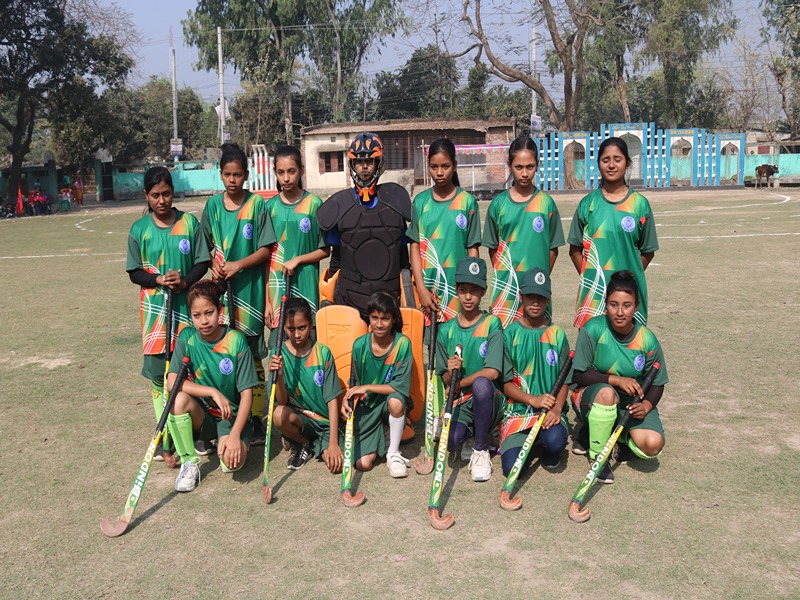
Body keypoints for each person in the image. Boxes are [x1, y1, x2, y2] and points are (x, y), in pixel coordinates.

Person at [126, 166, 209, 460]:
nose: (161, 200)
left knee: (190, 370)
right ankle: (164, 436)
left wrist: (184, 282)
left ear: (174, 192)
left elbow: (202, 263)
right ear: (146, 196)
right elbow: (134, 272)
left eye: (166, 194)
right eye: (155, 195)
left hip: (187, 312)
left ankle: (196, 433)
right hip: (154, 316)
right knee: (159, 376)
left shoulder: (189, 223)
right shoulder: (139, 230)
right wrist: (158, 279)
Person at [201, 143, 277, 446]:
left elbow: (265, 250)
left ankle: (256, 418)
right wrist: (215, 265)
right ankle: (226, 415)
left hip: (250, 294)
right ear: (220, 174)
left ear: (247, 175)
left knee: (252, 356)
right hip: (221, 296)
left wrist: (238, 265)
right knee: (225, 354)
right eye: (227, 175)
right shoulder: (212, 206)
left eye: (238, 175)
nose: (232, 180)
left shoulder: (257, 205)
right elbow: (203, 248)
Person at [570, 270, 669, 484]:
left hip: (630, 405)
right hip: (593, 397)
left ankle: (619, 436)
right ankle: (599, 457)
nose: (620, 312)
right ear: (606, 304)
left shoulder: (647, 339)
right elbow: (579, 375)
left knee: (652, 445)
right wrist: (616, 380)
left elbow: (657, 383)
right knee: (607, 393)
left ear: (636, 306)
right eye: (614, 304)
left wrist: (647, 406)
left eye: (627, 305)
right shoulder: (593, 329)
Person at [167, 281, 259, 492]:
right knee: (177, 400)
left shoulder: (236, 341)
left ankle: (227, 438)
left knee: (232, 464)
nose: (203, 321)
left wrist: (234, 436)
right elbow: (172, 382)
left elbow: (247, 396)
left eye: (209, 313)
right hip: (203, 415)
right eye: (196, 315)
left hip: (231, 417)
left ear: (220, 310)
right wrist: (212, 392)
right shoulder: (187, 337)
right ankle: (189, 462)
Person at [316, 132, 413, 322]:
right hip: (349, 301)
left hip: (388, 303)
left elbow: (403, 258)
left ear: (379, 163)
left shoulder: (396, 202)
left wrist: (409, 294)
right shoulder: (339, 206)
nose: (364, 167)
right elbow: (336, 259)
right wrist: (329, 298)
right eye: (358, 162)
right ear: (352, 165)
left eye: (369, 161)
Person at [568, 136, 659, 328]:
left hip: (628, 296)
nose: (611, 165)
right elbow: (575, 249)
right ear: (598, 164)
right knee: (593, 343)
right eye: (605, 160)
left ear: (627, 163)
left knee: (629, 344)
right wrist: (590, 277)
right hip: (594, 297)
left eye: (617, 159)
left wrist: (628, 279)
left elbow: (648, 250)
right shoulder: (588, 204)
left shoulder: (639, 204)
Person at [482, 136, 565, 328]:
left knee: (537, 339)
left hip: (537, 290)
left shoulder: (546, 204)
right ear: (510, 166)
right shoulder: (498, 205)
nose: (525, 173)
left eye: (530, 167)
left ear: (537, 166)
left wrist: (538, 279)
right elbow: (493, 248)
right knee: (504, 339)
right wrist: (507, 275)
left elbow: (553, 249)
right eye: (519, 167)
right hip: (506, 290)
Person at [436, 257, 506, 482]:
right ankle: (471, 433)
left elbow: (492, 372)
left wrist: (458, 383)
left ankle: (481, 449)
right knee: (451, 441)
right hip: (461, 401)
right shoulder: (445, 330)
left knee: (481, 384)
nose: (468, 296)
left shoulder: (492, 323)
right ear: (456, 289)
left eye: (474, 290)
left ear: (483, 291)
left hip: (488, 397)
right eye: (463, 290)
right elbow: (446, 380)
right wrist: (450, 372)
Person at [499, 267, 570, 477]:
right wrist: (533, 400)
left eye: (541, 298)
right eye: (530, 297)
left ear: (548, 300)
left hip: (549, 412)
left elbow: (565, 379)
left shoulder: (557, 334)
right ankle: (527, 442)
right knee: (512, 470)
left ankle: (547, 446)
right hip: (519, 412)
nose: (536, 303)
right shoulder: (509, 334)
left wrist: (557, 409)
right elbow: (505, 383)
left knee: (555, 441)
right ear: (521, 297)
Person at [340, 291, 413, 478]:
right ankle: (385, 432)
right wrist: (346, 399)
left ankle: (393, 453)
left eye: (385, 318)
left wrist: (367, 387)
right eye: (374, 318)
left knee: (396, 402)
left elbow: (399, 387)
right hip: (368, 406)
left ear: (394, 319)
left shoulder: (402, 344)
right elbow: (354, 383)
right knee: (363, 464)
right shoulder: (359, 345)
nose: (379, 324)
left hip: (391, 400)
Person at [408, 137, 481, 323]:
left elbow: (473, 250)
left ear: (454, 166)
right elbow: (414, 247)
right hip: (427, 293)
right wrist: (421, 289)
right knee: (429, 340)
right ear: (428, 166)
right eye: (434, 167)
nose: (439, 172)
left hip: (458, 293)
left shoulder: (467, 202)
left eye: (445, 166)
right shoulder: (420, 203)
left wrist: (470, 288)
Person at [268, 297, 344, 472]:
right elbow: (282, 401)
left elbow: (332, 400)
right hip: (299, 417)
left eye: (302, 328)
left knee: (336, 465)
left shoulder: (323, 353)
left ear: (311, 325)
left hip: (324, 423)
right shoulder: (277, 354)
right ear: (283, 327)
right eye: (291, 329)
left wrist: (333, 443)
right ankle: (302, 443)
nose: (296, 334)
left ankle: (303, 440)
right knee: (278, 414)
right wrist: (279, 376)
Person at [266, 145, 329, 342]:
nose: (286, 178)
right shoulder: (269, 208)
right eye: (281, 172)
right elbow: (265, 257)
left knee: (307, 345)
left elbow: (324, 250)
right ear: (275, 172)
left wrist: (298, 259)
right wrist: (267, 301)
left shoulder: (314, 204)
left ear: (301, 170)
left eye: (291, 171)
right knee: (279, 348)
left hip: (306, 287)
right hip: (277, 290)